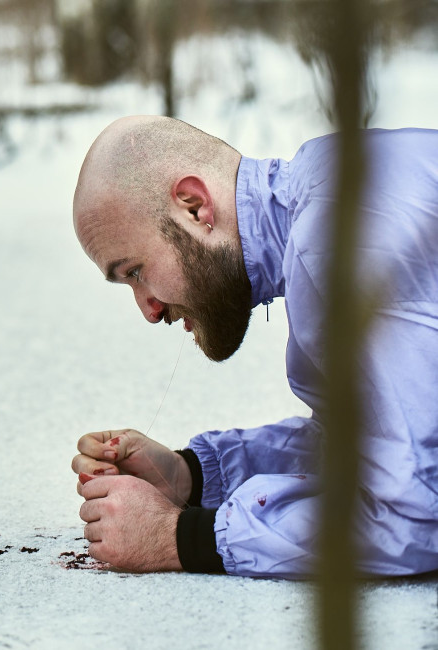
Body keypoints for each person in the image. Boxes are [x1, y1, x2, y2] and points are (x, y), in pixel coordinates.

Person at [69, 115, 438, 577]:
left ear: (194, 205)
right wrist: (192, 477)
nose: (148, 309)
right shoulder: (330, 187)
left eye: (136, 271)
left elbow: (420, 509)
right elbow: (380, 445)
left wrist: (185, 538)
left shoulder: (337, 240)